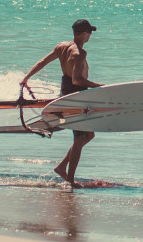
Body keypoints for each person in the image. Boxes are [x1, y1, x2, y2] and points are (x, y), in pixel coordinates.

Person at [21, 19, 103, 185]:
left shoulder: (62, 46)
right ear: (85, 33)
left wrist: (26, 78)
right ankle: (70, 180)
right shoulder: (80, 53)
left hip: (65, 92)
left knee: (89, 135)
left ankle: (62, 167)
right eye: (90, 33)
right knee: (80, 138)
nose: (90, 37)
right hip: (75, 96)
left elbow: (42, 62)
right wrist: (98, 86)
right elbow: (78, 80)